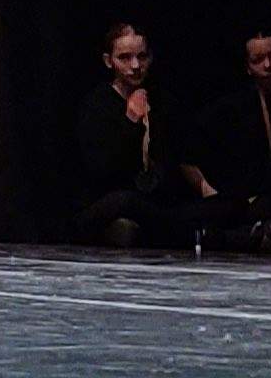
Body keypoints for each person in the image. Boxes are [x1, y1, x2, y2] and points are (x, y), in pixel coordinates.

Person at [73, 25, 222, 249]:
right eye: (125, 58)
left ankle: (190, 231)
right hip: (108, 198)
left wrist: (210, 194)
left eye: (141, 57)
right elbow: (102, 170)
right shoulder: (96, 105)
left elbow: (181, 156)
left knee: (220, 204)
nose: (135, 66)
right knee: (126, 201)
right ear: (108, 61)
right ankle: (190, 234)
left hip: (154, 201)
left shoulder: (163, 101)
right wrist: (131, 120)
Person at [192, 31, 271, 252]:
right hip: (245, 203)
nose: (268, 66)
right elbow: (187, 151)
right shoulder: (230, 108)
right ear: (247, 67)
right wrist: (206, 188)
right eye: (258, 61)